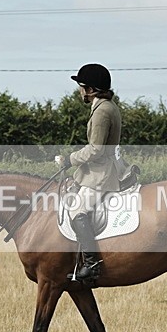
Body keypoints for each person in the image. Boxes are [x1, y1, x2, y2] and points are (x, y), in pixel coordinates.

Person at [59, 63, 122, 281]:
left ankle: (92, 264)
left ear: (90, 89)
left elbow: (96, 149)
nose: (79, 90)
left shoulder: (102, 111)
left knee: (77, 210)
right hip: (97, 170)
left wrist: (70, 159)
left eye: (81, 86)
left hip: (100, 174)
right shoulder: (105, 107)